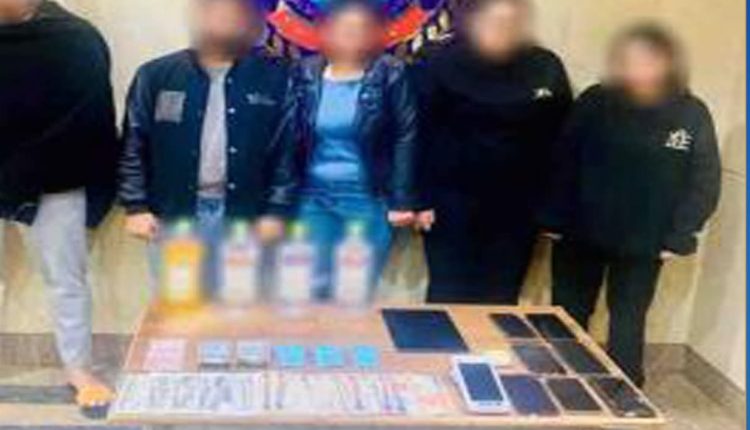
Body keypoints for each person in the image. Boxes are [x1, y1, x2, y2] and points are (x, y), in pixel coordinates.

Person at [540, 24, 722, 387]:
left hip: (646, 240)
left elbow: (704, 180)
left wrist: (680, 234)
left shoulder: (691, 113)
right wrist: (553, 218)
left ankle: (625, 393)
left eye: (650, 60)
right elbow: (562, 160)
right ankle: (562, 384)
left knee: (628, 318)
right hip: (582, 230)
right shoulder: (594, 101)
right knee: (568, 314)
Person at [119, 0, 297, 293]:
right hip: (174, 215)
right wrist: (135, 207)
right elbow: (133, 144)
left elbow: (286, 151)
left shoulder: (275, 78)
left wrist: (276, 211)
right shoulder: (156, 75)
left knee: (243, 308)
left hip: (246, 216)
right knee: (178, 308)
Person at [0, 0, 119, 413]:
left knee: (66, 280)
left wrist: (23, 163)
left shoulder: (74, 38)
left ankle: (78, 369)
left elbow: (89, 117)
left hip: (53, 176)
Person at [414, 0, 572, 304]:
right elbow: (420, 134)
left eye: (511, 23)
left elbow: (561, 140)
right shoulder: (442, 62)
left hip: (518, 207)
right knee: (447, 294)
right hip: (452, 205)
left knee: (502, 296)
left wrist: (553, 208)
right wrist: (419, 200)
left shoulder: (545, 65)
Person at [292, 0, 418, 300]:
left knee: (354, 294)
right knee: (309, 292)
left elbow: (406, 135)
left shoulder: (390, 72)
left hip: (366, 200)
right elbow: (288, 137)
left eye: (359, 30)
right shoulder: (306, 71)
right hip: (312, 201)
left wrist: (402, 199)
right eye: (343, 29)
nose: (350, 36)